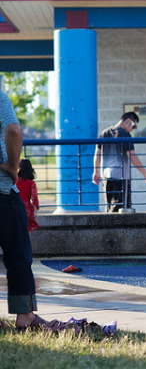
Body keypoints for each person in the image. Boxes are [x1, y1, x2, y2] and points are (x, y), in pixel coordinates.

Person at [0, 89, 48, 329]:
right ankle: (25, 317)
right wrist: (11, 164)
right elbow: (14, 130)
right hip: (3, 192)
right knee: (18, 255)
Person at [92, 112, 146, 212]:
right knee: (122, 210)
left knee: (109, 208)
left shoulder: (104, 133)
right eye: (134, 126)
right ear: (129, 121)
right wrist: (145, 172)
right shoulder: (124, 135)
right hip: (121, 177)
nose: (133, 129)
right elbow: (132, 157)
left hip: (106, 177)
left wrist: (96, 172)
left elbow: (97, 155)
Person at [16, 158, 39, 232]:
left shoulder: (14, 182)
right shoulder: (31, 183)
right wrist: (35, 209)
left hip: (15, 207)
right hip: (27, 209)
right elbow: (34, 197)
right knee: (25, 231)